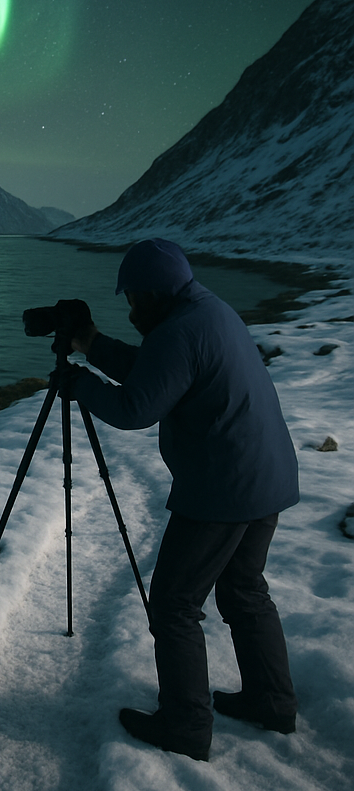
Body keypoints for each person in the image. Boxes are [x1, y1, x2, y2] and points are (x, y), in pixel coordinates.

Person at [65, 238, 299, 762]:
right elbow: (158, 369)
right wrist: (92, 343)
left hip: (225, 486)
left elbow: (134, 407)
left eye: (133, 299)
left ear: (153, 292)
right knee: (242, 588)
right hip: (268, 476)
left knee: (173, 603)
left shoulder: (180, 331)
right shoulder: (209, 312)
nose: (131, 309)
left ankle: (186, 724)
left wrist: (80, 385)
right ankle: (273, 701)